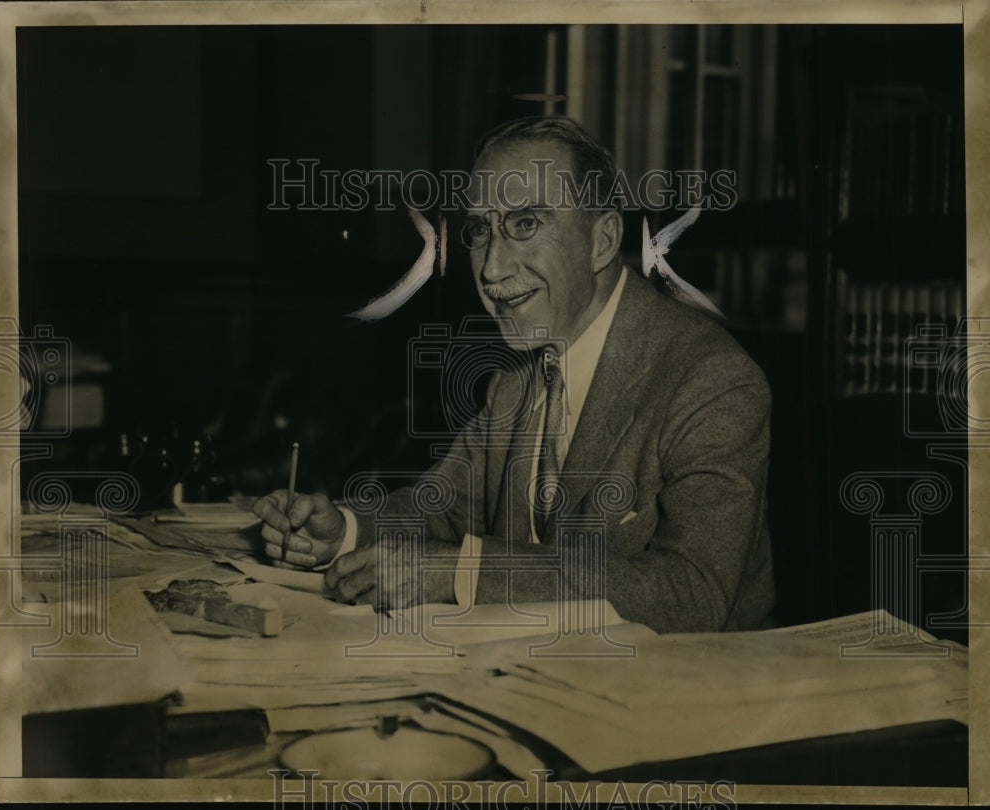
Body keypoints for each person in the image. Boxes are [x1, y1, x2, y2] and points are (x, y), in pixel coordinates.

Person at [254, 116, 774, 633]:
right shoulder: (517, 375)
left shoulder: (712, 381)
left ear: (602, 240)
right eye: (482, 231)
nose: (491, 269)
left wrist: (462, 573)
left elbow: (693, 592)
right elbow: (446, 508)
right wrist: (343, 532)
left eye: (525, 225)